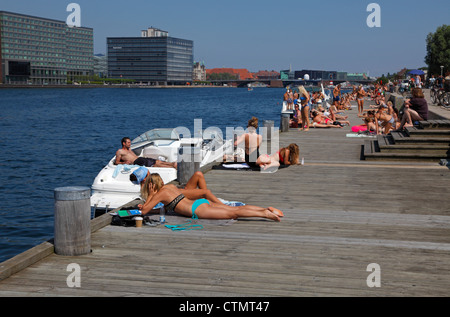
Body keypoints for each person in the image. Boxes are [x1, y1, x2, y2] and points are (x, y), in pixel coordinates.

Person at [138, 173, 283, 222]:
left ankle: (265, 214)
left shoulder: (159, 194)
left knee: (233, 213)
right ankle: (264, 209)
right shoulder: (170, 188)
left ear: (152, 186)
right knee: (234, 209)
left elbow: (144, 211)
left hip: (197, 210)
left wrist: (151, 195)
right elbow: (161, 210)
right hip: (200, 203)